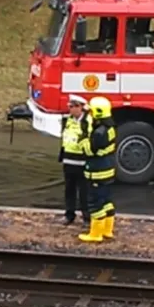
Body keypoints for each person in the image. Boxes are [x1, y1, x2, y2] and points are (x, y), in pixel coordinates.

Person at [77, 96, 116, 243]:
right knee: (106, 201)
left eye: (91, 112)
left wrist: (83, 137)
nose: (89, 114)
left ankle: (96, 234)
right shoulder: (110, 127)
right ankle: (107, 230)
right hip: (108, 170)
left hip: (98, 172)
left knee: (95, 203)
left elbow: (89, 151)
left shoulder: (99, 132)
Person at [58, 95, 92, 226]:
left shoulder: (87, 122)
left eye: (73, 106)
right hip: (68, 160)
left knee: (84, 191)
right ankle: (69, 215)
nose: (70, 109)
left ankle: (87, 217)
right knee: (69, 190)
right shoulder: (68, 121)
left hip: (82, 161)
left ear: (81, 107)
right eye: (69, 106)